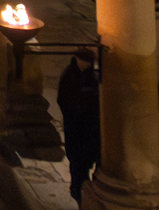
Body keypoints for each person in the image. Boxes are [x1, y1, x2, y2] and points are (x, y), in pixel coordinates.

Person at [57, 47, 102, 201]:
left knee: (92, 167)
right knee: (78, 172)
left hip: (92, 134)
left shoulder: (91, 76)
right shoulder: (70, 76)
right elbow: (66, 103)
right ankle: (80, 198)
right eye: (86, 61)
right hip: (77, 133)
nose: (89, 64)